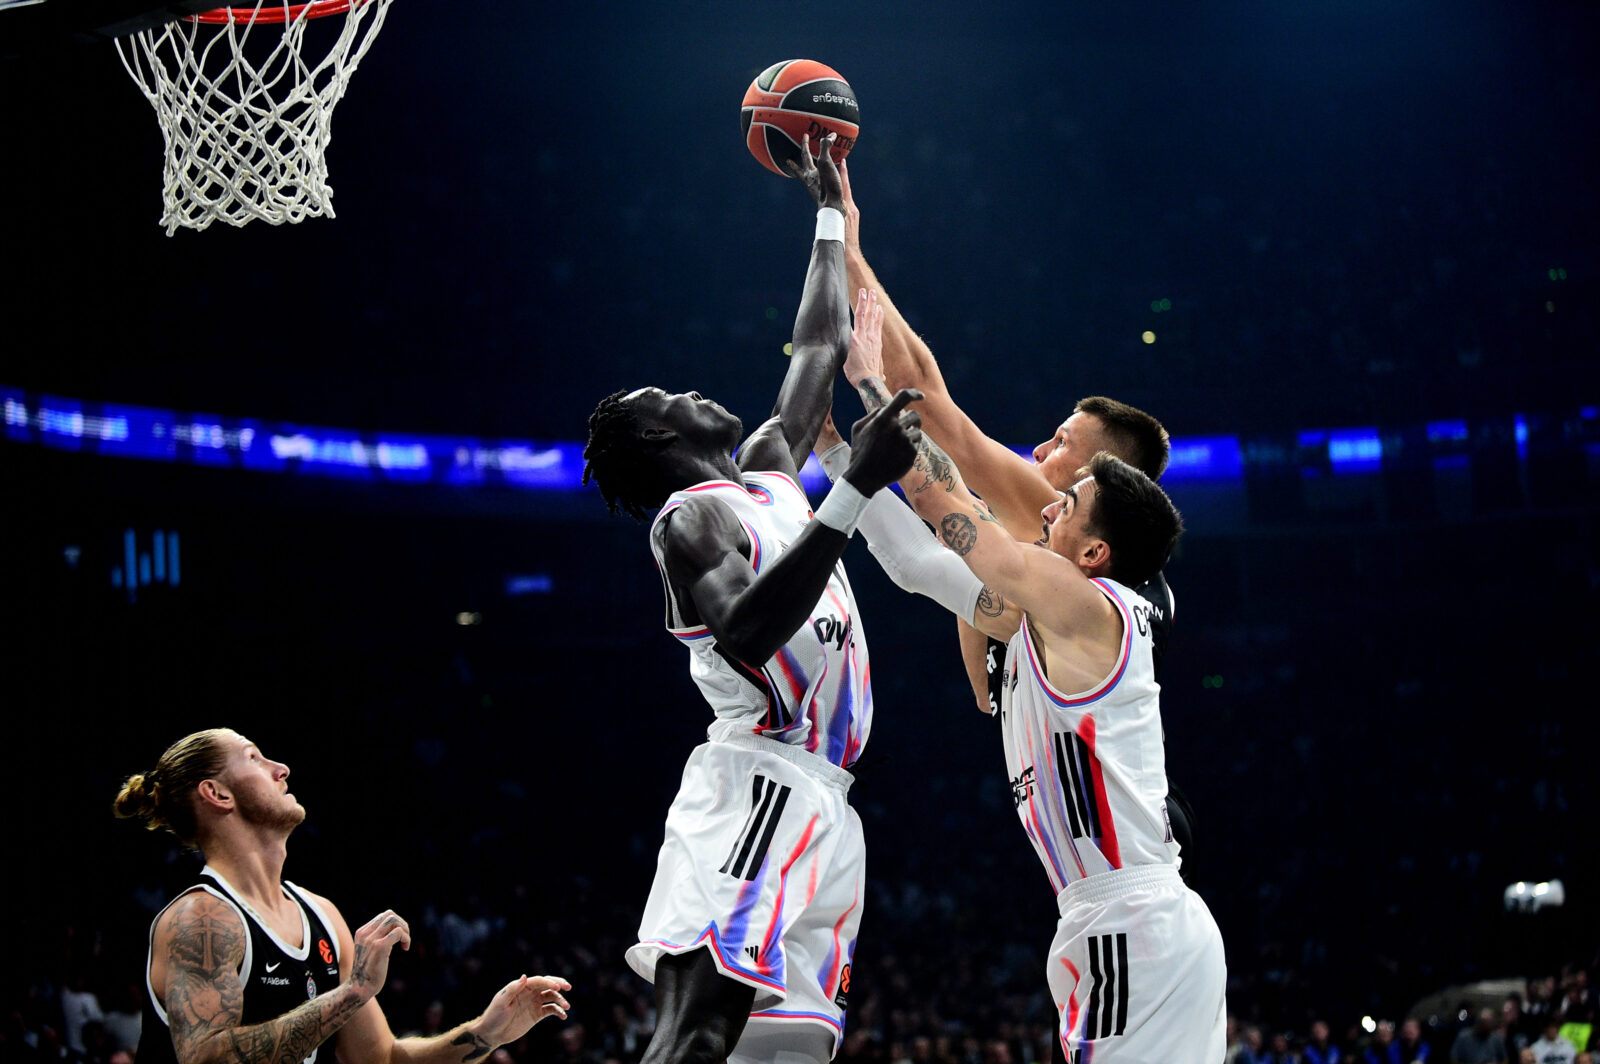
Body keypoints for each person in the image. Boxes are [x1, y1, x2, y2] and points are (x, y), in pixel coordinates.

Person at [580, 133, 923, 1064]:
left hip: (829, 797)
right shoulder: (687, 522)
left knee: (786, 1053)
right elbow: (746, 631)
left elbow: (819, 340)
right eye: (674, 393)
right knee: (693, 1038)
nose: (696, 390)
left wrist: (824, 211)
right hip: (760, 779)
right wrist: (852, 495)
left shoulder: (771, 469)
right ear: (657, 436)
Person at [838, 315, 1225, 1061]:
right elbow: (925, 567)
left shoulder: (1090, 604)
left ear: (1094, 552)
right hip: (1116, 918)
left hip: (1130, 921)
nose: (1045, 506)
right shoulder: (1038, 620)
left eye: (1066, 506)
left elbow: (950, 508)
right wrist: (831, 443)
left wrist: (869, 387)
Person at [831, 161, 1200, 867]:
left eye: (1062, 443)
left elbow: (932, 414)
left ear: (1103, 479)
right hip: (1094, 787)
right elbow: (936, 552)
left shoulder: (1070, 524)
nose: (1038, 449)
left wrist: (848, 253)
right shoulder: (1078, 548)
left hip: (1121, 829)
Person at [112, 728, 571, 1064]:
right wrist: (352, 993)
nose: (281, 769)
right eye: (254, 758)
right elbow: (207, 1059)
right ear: (216, 793)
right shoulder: (201, 917)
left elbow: (382, 1060)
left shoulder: (323, 917)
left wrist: (486, 1032)